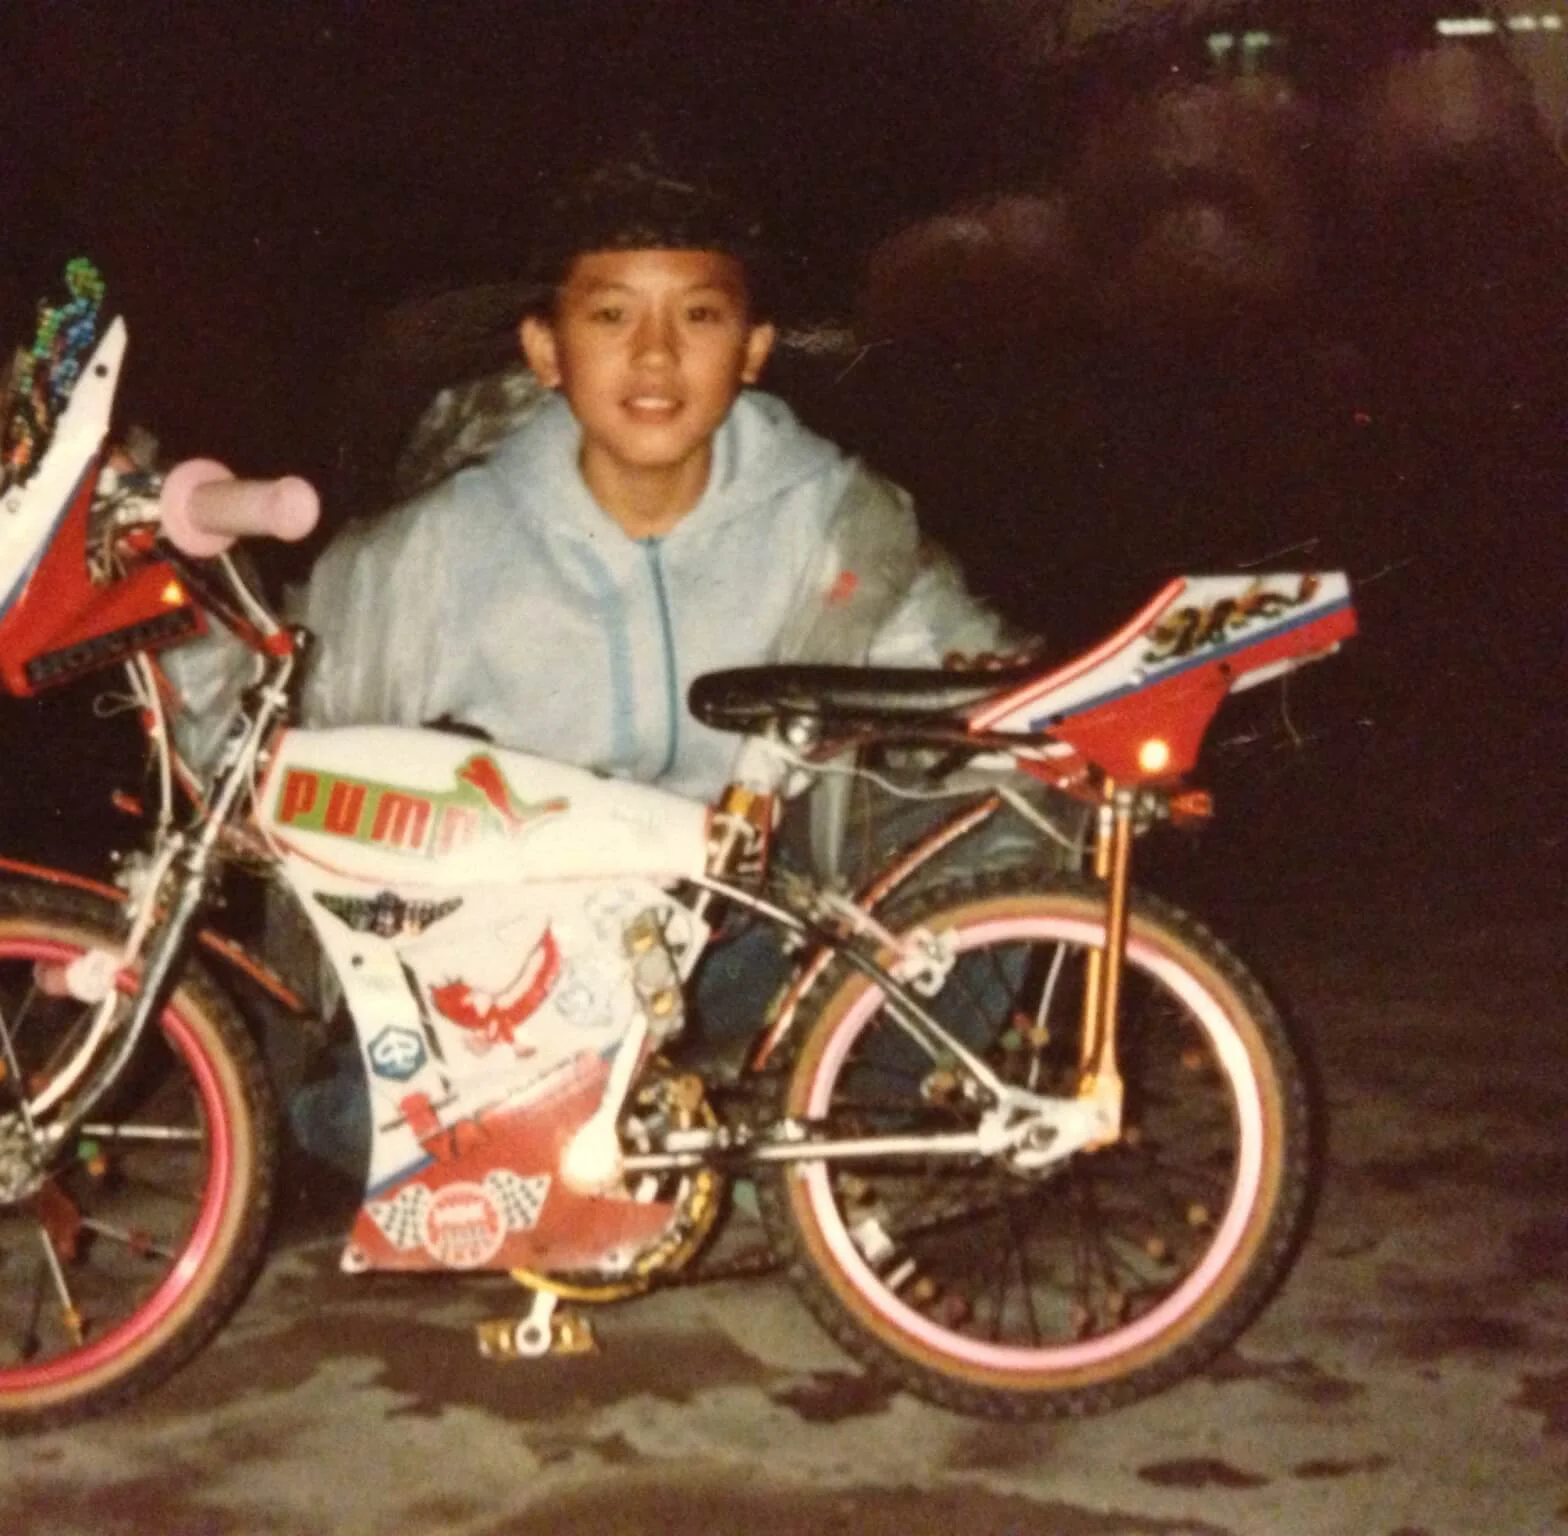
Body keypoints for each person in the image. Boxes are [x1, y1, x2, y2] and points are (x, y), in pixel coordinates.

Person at [157, 156, 1072, 1173]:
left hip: (746, 944)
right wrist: (172, 628)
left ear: (753, 348)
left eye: (698, 316)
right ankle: (672, 1133)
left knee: (1014, 817)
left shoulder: (835, 522)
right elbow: (273, 752)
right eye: (609, 316)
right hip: (524, 966)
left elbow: (955, 687)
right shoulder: (431, 551)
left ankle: (841, 1140)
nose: (654, 356)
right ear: (545, 349)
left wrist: (1021, 717)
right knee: (350, 1128)